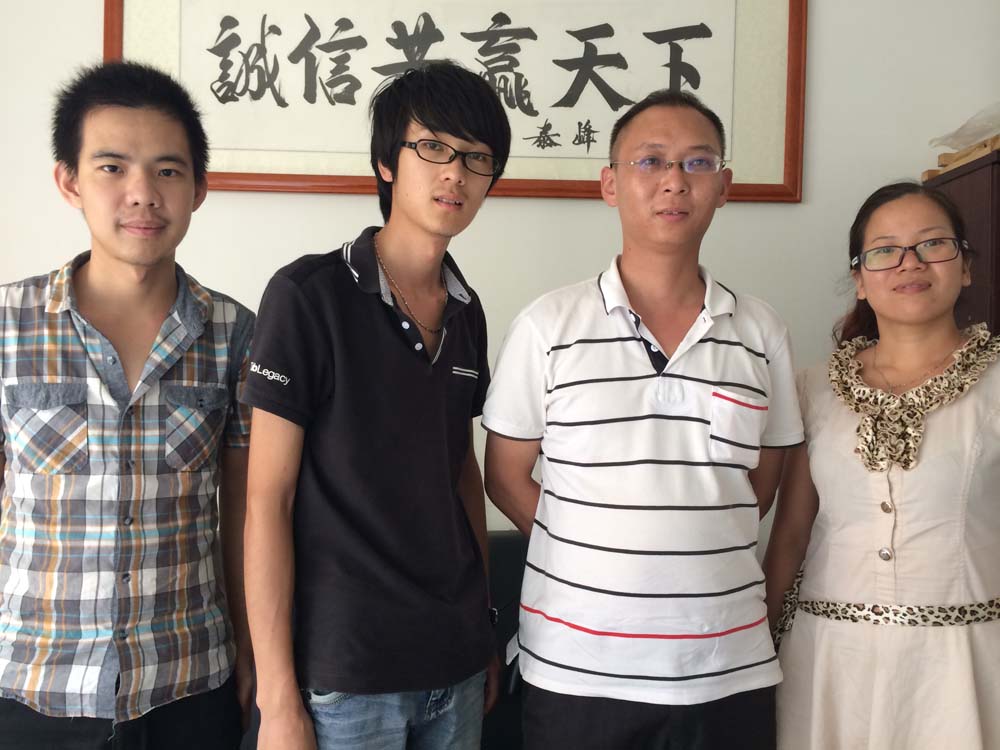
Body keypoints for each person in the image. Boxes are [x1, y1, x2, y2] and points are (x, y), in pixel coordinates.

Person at [482, 89, 804, 750]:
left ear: (723, 187)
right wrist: (588, 546)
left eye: (697, 162)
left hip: (727, 667)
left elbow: (762, 485)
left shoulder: (761, 330)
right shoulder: (548, 326)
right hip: (577, 669)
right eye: (650, 161)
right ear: (610, 184)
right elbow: (505, 477)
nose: (674, 181)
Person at [241, 61, 511, 750]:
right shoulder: (308, 297)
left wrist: (482, 628)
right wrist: (276, 697)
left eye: (477, 157)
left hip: (454, 662)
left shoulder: (468, 311)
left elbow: (461, 472)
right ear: (387, 163)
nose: (455, 173)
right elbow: (267, 499)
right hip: (347, 673)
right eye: (434, 147)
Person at [0, 61, 253, 749]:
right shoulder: (9, 324)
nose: (142, 193)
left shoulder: (237, 334)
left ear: (199, 189)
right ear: (69, 182)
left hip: (188, 686)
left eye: (168, 170)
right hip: (30, 690)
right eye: (112, 167)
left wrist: (255, 655)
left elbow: (244, 513)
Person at [763, 182, 1000, 749]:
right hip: (829, 664)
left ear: (965, 266)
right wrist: (755, 649)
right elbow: (791, 535)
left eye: (933, 244)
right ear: (861, 280)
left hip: (964, 661)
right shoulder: (813, 389)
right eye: (885, 250)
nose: (909, 263)